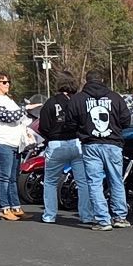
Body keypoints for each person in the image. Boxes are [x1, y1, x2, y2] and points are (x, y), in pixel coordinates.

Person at [74, 68, 132, 231]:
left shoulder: (79, 99)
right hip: (113, 144)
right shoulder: (115, 97)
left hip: (90, 144)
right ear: (102, 81)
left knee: (94, 182)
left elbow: (70, 121)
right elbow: (126, 120)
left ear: (87, 80)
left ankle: (102, 220)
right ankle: (120, 217)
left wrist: (81, 130)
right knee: (116, 180)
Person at [37, 72, 92, 226]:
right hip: (76, 143)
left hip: (56, 144)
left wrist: (51, 136)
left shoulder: (50, 103)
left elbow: (43, 127)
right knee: (83, 182)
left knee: (50, 182)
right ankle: (86, 215)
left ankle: (50, 215)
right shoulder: (79, 101)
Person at [0, 72, 29, 220]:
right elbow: (7, 117)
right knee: (3, 178)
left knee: (13, 178)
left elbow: (20, 118)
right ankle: (4, 208)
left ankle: (15, 207)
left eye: (9, 82)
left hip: (15, 143)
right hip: (1, 143)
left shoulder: (9, 100)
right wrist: (26, 108)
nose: (7, 84)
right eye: (3, 82)